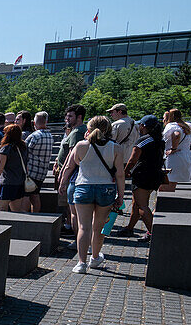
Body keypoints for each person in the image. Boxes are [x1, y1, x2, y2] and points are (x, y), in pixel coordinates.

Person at [66, 116, 124, 273]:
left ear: (88, 129)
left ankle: (81, 263)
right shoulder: (116, 148)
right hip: (106, 189)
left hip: (83, 187)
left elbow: (72, 165)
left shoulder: (81, 145)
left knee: (84, 227)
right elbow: (120, 174)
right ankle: (95, 258)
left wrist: (63, 184)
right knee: (98, 228)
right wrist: (121, 195)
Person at [115, 115, 165, 241]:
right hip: (154, 175)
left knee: (142, 206)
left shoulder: (143, 141)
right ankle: (129, 228)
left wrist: (125, 172)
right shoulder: (159, 140)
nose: (139, 127)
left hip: (143, 176)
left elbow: (132, 160)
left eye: (140, 125)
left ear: (144, 126)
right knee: (136, 203)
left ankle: (153, 233)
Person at [55, 104, 88, 235]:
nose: (66, 118)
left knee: (70, 204)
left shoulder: (77, 132)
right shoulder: (75, 130)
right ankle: (70, 225)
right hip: (68, 172)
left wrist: (63, 173)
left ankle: (72, 229)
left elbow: (71, 155)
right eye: (66, 116)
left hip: (71, 174)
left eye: (70, 116)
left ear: (79, 117)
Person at [0, 123, 29, 212]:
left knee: (2, 210)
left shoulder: (6, 148)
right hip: (19, 183)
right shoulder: (23, 147)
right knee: (16, 211)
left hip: (7, 183)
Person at [161, 108, 191, 189]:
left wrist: (173, 148)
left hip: (173, 156)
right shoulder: (188, 126)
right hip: (186, 155)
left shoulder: (171, 126)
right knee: (173, 182)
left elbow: (176, 134)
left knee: (168, 182)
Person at [23, 111, 53, 212]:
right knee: (35, 195)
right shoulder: (50, 136)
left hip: (31, 172)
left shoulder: (34, 136)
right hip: (42, 172)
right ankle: (37, 215)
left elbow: (24, 150)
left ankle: (26, 217)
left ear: (34, 123)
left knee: (26, 196)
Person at [108, 103, 137, 170]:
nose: (111, 114)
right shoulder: (135, 123)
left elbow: (110, 142)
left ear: (119, 112)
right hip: (131, 160)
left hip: (118, 159)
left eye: (112, 112)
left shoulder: (116, 124)